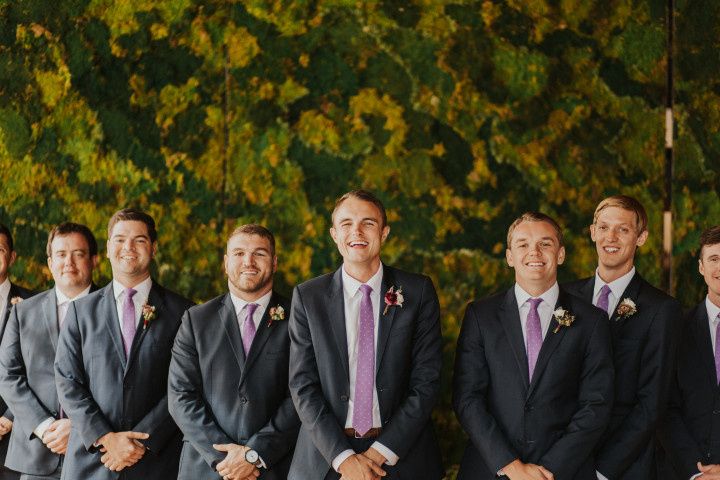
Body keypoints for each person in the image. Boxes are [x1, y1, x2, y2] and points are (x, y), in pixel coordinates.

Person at [288, 190, 444, 480]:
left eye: (368, 223)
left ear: (384, 233)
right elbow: (302, 386)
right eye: (346, 224)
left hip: (401, 455)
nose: (356, 232)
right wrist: (346, 460)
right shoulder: (308, 297)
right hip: (327, 458)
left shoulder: (418, 292)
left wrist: (376, 454)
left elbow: (427, 381)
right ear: (334, 234)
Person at [453, 212, 614, 479]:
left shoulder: (592, 321)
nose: (534, 252)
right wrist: (511, 466)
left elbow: (596, 404)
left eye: (545, 243)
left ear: (560, 254)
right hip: (491, 469)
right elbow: (467, 399)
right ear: (509, 256)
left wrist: (550, 469)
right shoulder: (481, 316)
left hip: (563, 472)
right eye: (523, 244)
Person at [54, 208, 193, 479]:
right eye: (119, 239)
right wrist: (106, 437)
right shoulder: (81, 312)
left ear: (153, 248)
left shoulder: (184, 313)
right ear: (107, 249)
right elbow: (67, 381)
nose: (128, 247)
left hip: (156, 461)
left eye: (139, 240)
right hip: (91, 461)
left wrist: (141, 441)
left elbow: (185, 385)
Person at [169, 224, 299, 479]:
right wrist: (225, 458)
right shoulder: (196, 320)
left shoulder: (298, 318)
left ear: (274, 262)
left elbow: (302, 393)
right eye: (239, 253)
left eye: (259, 254)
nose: (248, 262)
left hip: (275, 467)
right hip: (207, 468)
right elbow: (180, 395)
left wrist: (255, 454)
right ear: (226, 262)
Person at [564, 195, 681, 479]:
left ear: (641, 237)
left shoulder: (662, 310)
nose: (610, 237)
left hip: (623, 466)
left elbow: (651, 404)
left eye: (623, 229)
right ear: (592, 231)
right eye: (603, 227)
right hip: (562, 459)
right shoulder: (564, 299)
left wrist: (602, 471)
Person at [0, 222, 99, 479]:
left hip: (96, 455)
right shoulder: (23, 312)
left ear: (95, 260)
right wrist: (45, 427)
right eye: (61, 255)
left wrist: (78, 428)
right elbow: (8, 377)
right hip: (35, 455)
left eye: (78, 254)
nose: (69, 262)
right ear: (49, 262)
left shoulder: (112, 311)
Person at [659, 225, 720, 479]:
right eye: (714, 259)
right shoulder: (676, 329)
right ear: (701, 267)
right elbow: (665, 406)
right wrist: (695, 472)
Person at [0, 223, 34, 480]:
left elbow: (43, 367)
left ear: (11, 257)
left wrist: (11, 416)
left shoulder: (33, 304)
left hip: (16, 434)